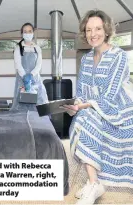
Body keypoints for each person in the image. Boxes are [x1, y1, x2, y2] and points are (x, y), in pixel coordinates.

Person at [62, 10, 133, 205]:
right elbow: (82, 91)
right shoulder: (85, 59)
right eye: (89, 30)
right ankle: (94, 183)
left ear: (107, 29)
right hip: (92, 107)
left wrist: (85, 106)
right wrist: (75, 105)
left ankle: (93, 185)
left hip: (118, 109)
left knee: (85, 118)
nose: (93, 34)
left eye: (98, 28)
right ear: (84, 33)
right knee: (80, 117)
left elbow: (111, 94)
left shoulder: (119, 56)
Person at [10, 22, 49, 111]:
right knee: (21, 104)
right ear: (22, 34)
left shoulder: (37, 48)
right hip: (22, 80)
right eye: (25, 31)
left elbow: (39, 65)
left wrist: (31, 75)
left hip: (35, 79)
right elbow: (18, 65)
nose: (27, 33)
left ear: (33, 33)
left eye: (30, 31)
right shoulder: (18, 48)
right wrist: (25, 77)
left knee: (40, 102)